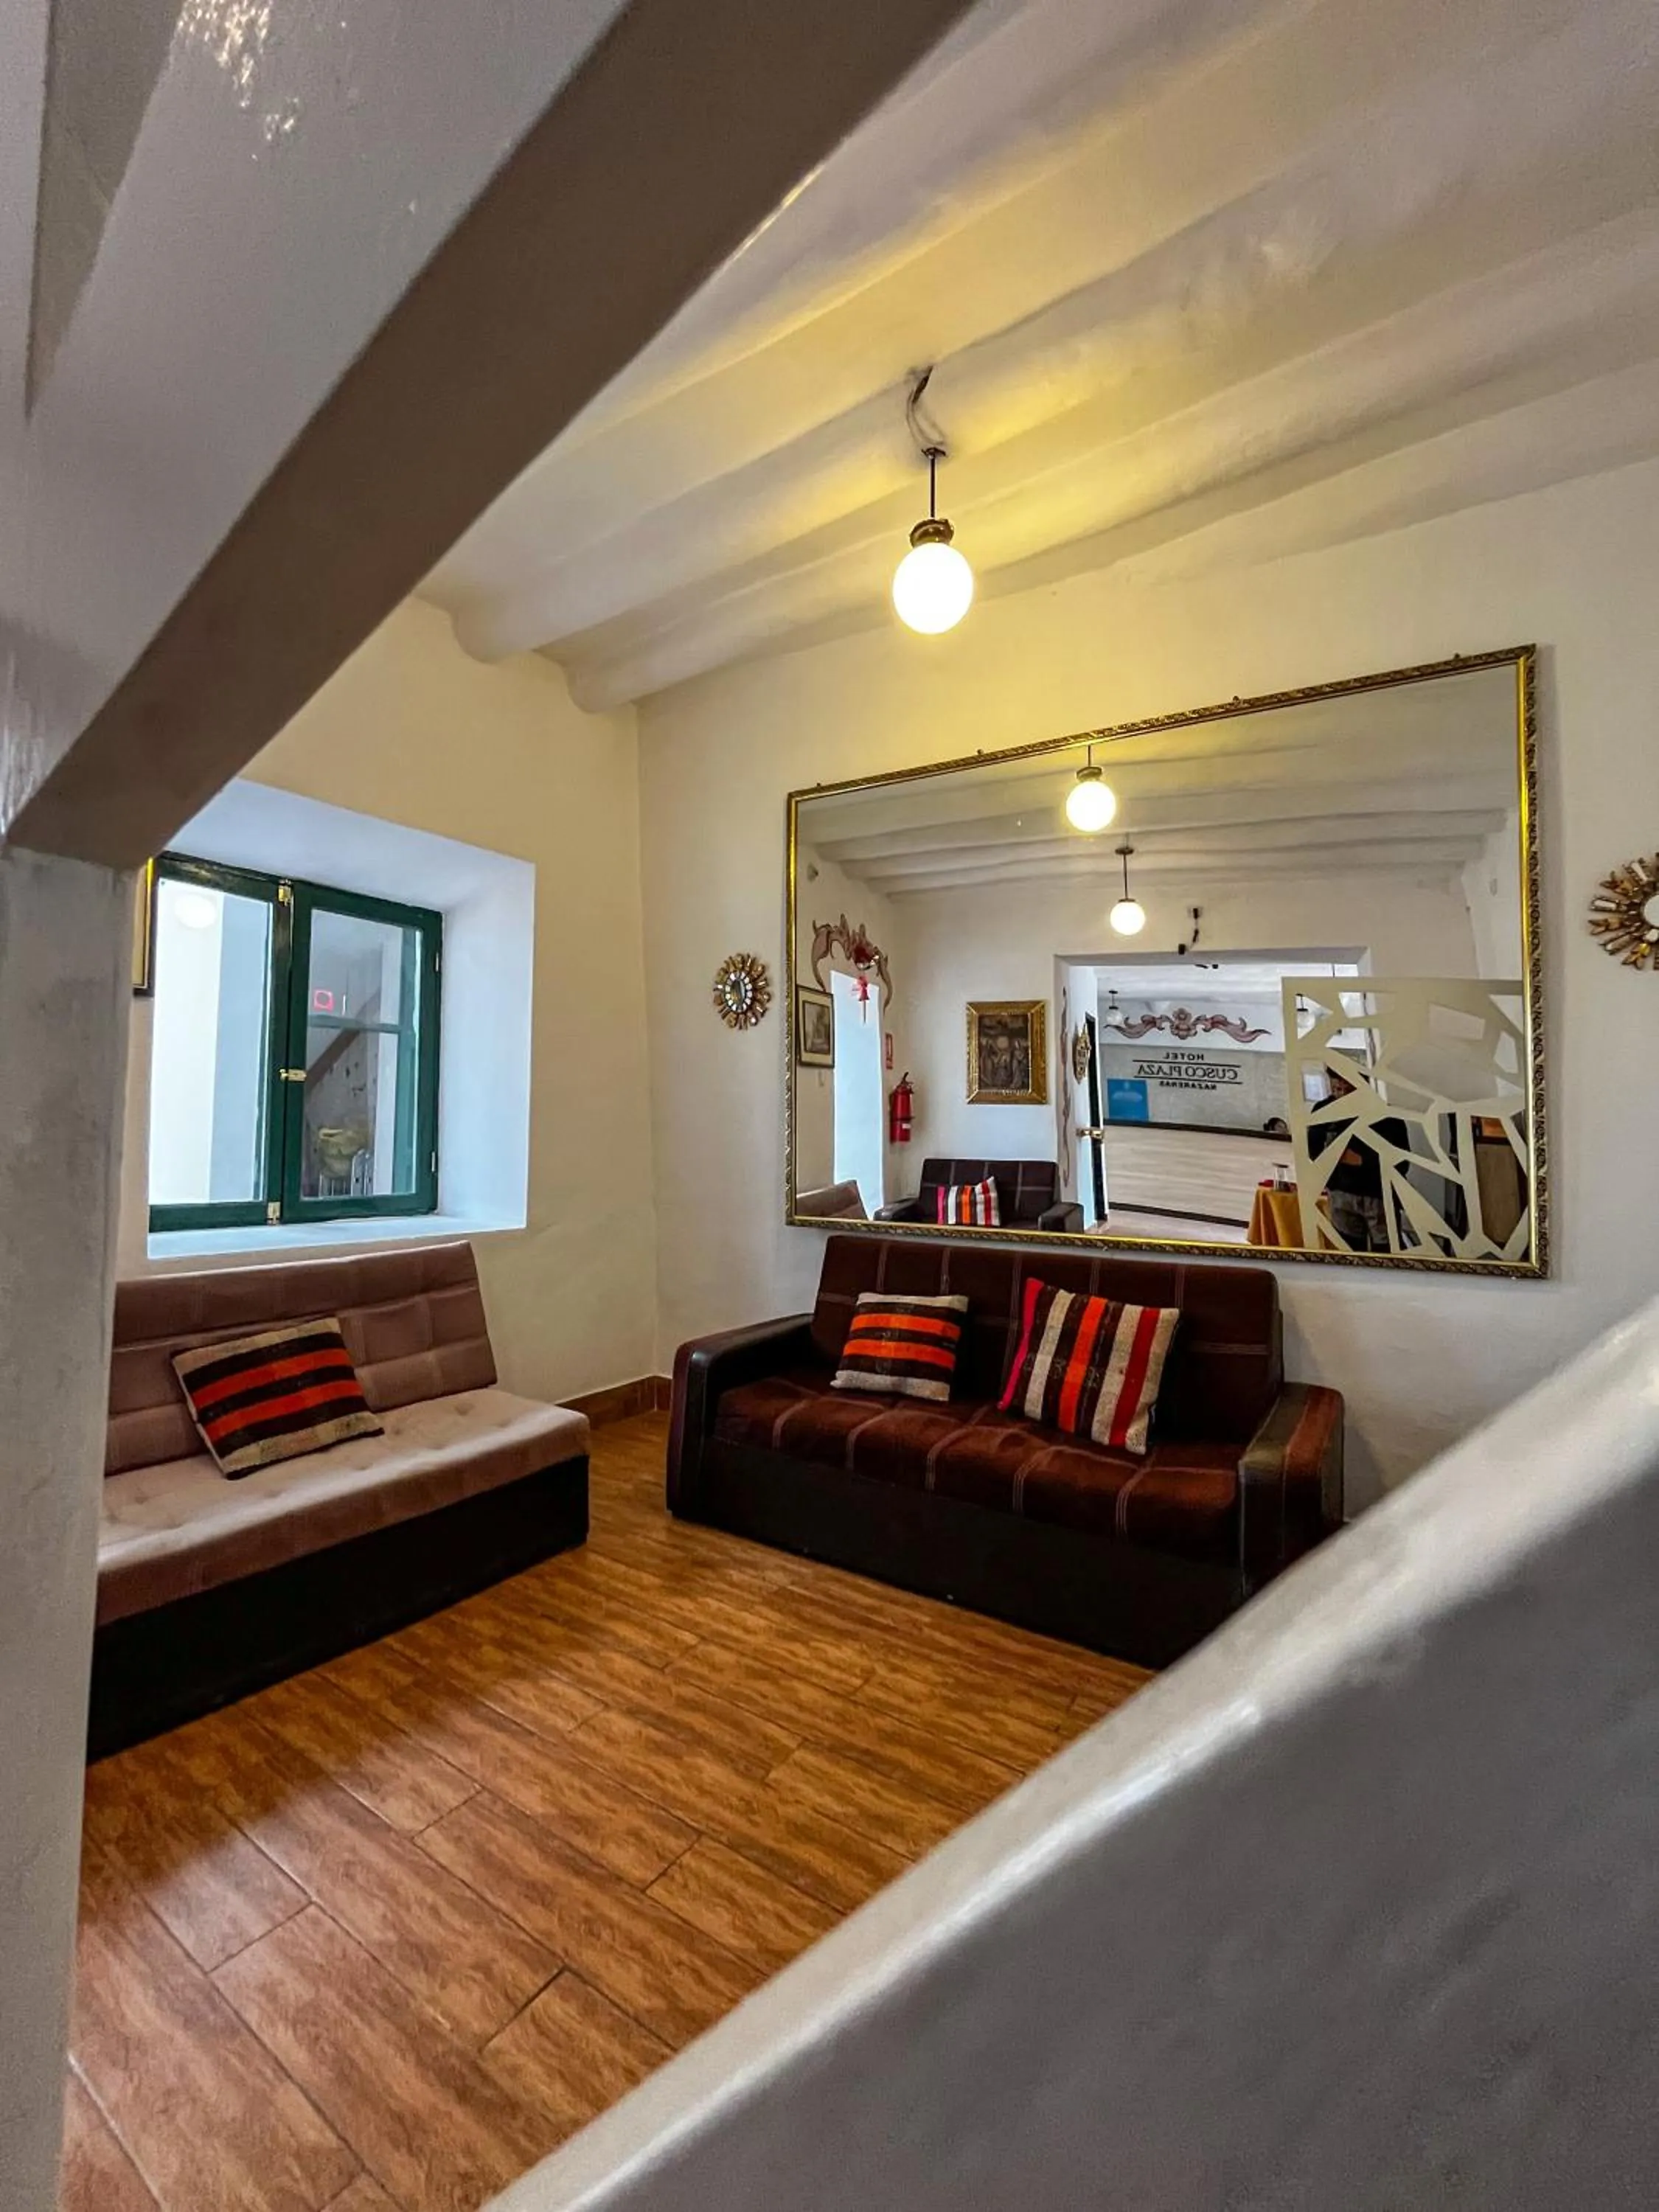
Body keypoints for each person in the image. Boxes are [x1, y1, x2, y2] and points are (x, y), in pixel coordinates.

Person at [1307, 1074, 1409, 1253]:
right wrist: (1331, 1179)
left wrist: (1364, 1161)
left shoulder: (1384, 1115)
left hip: (1377, 1196)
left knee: (1386, 1251)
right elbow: (1314, 1152)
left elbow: (1401, 1160)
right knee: (1349, 1251)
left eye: (1349, 1089)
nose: (1342, 1095)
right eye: (1337, 1089)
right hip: (1341, 1194)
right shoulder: (1324, 1110)